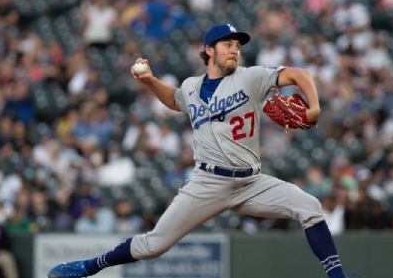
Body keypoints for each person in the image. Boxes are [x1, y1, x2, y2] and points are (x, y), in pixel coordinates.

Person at [48, 23, 352, 277]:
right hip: (208, 183)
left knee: (309, 207)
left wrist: (314, 106)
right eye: (228, 44)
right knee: (154, 245)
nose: (235, 49)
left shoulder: (252, 76)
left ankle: (337, 276)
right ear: (209, 50)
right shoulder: (191, 87)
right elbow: (175, 100)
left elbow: (299, 75)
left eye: (237, 45)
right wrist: (150, 81)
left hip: (251, 182)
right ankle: (88, 267)